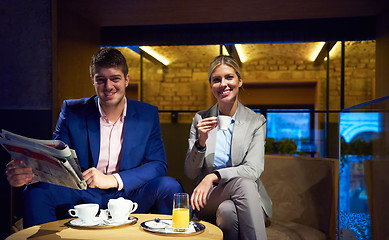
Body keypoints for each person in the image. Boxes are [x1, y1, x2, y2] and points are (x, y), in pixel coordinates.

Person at [6, 47, 183, 228]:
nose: (108, 86)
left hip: (130, 193)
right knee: (36, 191)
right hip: (83, 192)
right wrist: (30, 172)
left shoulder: (148, 114)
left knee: (169, 187)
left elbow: (158, 164)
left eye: (115, 79)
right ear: (93, 81)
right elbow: (58, 157)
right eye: (101, 80)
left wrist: (113, 180)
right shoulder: (72, 111)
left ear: (127, 80)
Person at [185, 55, 272, 240]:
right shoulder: (200, 119)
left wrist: (213, 176)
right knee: (243, 184)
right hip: (209, 198)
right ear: (211, 86)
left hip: (245, 198)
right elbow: (190, 172)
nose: (223, 84)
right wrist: (201, 142)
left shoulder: (256, 121)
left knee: (228, 212)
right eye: (216, 80)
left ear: (239, 81)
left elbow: (253, 169)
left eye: (229, 77)